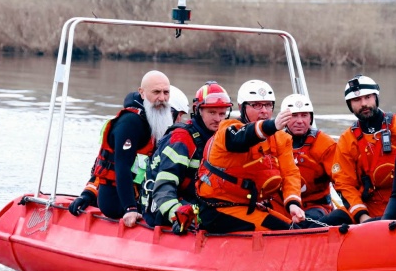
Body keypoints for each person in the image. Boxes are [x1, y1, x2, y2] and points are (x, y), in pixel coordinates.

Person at [196, 79, 305, 233]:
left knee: (298, 228)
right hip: (218, 208)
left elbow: (290, 173)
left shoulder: (281, 139)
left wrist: (293, 202)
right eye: (256, 105)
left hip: (249, 206)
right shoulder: (227, 130)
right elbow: (242, 137)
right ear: (241, 108)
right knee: (282, 230)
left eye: (268, 105)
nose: (264, 111)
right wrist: (271, 126)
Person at [68, 70, 172, 227]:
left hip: (145, 196)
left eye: (166, 93)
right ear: (142, 93)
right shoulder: (130, 123)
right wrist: (129, 208)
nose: (162, 98)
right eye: (156, 92)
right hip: (119, 201)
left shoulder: (160, 122)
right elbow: (118, 166)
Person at [141, 82, 233, 232]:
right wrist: (176, 214)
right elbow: (163, 187)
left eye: (222, 114)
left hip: (198, 202)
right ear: (198, 111)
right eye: (212, 112)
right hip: (164, 205)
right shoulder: (182, 139)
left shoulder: (220, 139)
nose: (218, 119)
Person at [332, 74, 396, 223]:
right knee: (331, 220)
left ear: (376, 98)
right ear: (349, 105)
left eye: (368, 97)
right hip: (368, 208)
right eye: (357, 100)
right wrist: (362, 217)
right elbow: (344, 184)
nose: (363, 103)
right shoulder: (346, 140)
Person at [278, 93, 351, 226]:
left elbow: (341, 179)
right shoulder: (275, 142)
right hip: (281, 206)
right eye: (294, 115)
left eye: (304, 115)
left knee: (302, 225)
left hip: (315, 206)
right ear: (283, 118)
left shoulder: (325, 144)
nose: (300, 121)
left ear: (311, 118)